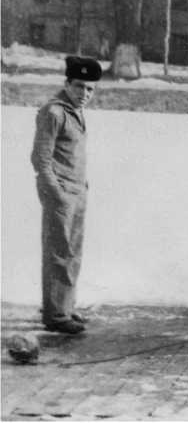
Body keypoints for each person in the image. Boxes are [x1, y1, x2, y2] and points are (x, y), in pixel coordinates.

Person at [31, 56, 102, 334]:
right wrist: (57, 194)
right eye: (79, 87)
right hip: (61, 193)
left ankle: (65, 307)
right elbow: (40, 159)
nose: (84, 94)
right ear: (67, 84)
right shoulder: (53, 112)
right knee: (59, 253)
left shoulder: (74, 111)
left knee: (72, 252)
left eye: (90, 89)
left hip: (77, 191)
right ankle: (56, 316)